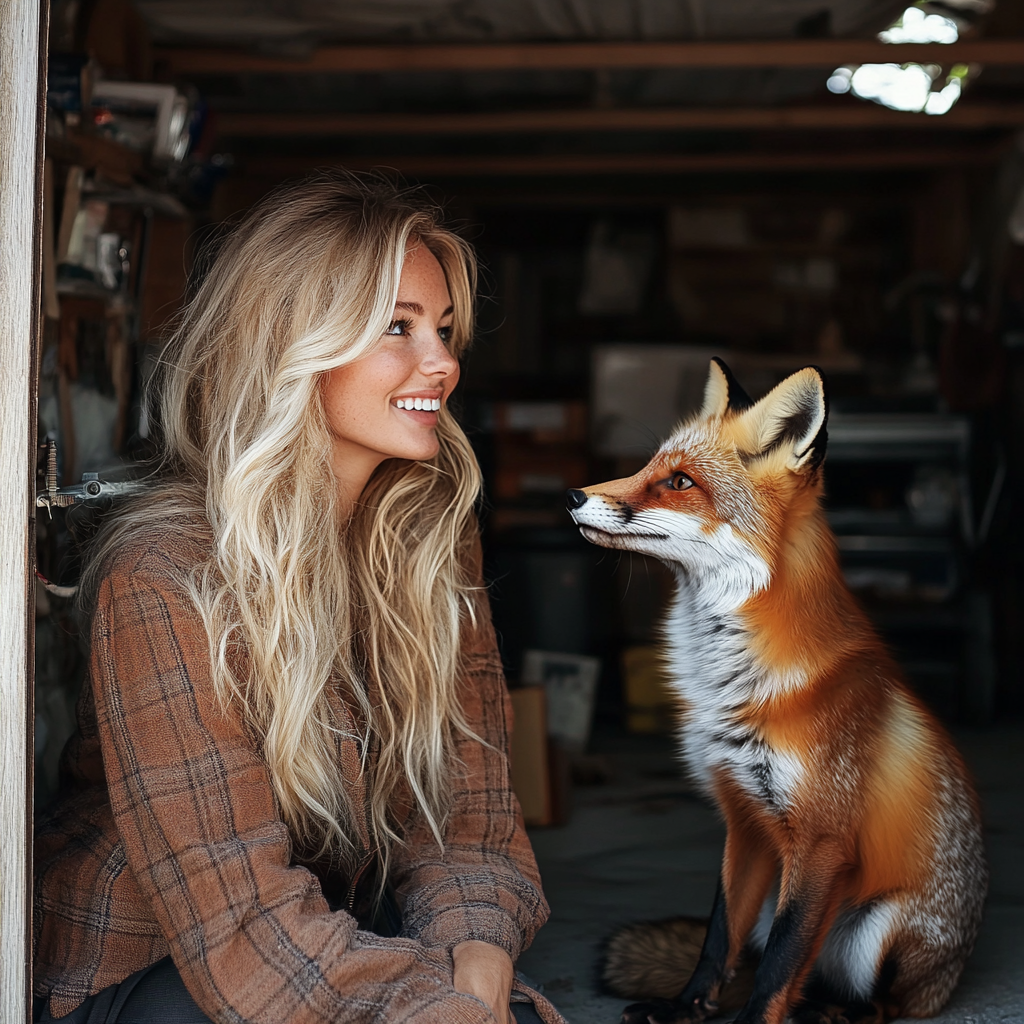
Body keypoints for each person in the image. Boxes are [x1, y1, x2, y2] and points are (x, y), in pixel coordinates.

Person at [33, 172, 564, 1024]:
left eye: (444, 328)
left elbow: (472, 810)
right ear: (292, 342)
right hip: (154, 977)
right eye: (397, 327)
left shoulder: (426, 539)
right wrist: (428, 1009)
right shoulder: (166, 575)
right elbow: (237, 917)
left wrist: (477, 951)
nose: (444, 363)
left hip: (316, 939)